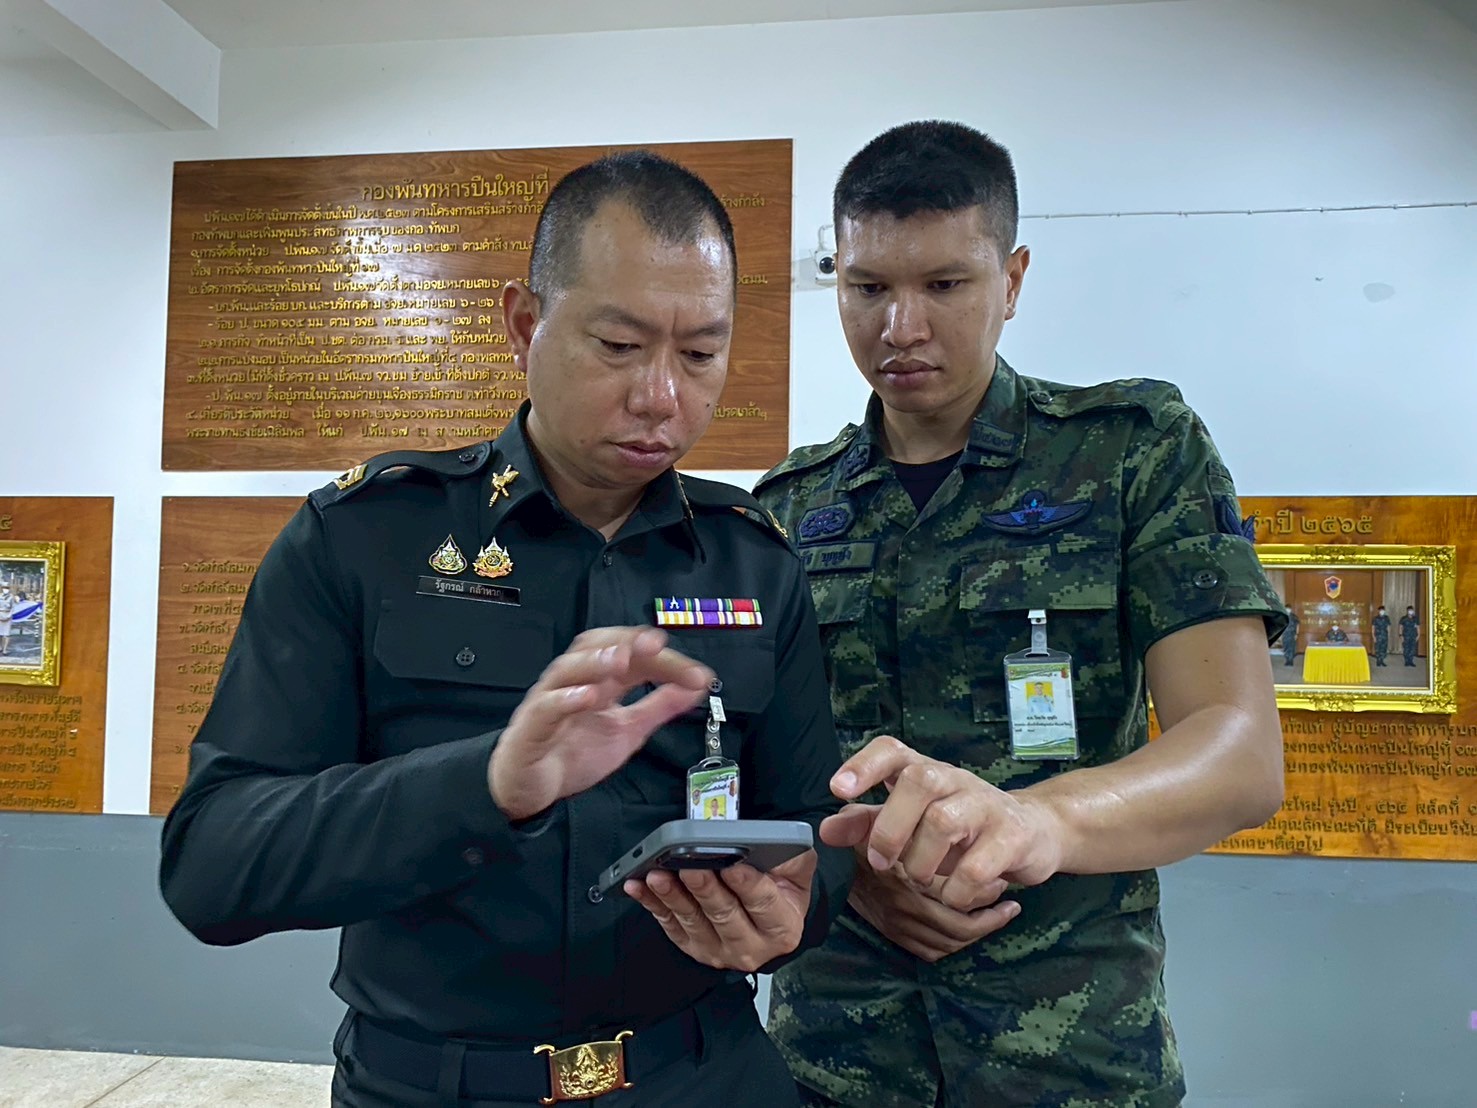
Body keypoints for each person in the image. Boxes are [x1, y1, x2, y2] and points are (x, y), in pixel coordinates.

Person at [160, 152, 851, 1108]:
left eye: (700, 355)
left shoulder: (753, 561)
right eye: (619, 345)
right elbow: (213, 866)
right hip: (434, 1086)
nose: (661, 396)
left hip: (701, 1071)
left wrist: (799, 909)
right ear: (525, 325)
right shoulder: (366, 537)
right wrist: (484, 785)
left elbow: (814, 821)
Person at [755, 121, 1287, 1108]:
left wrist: (1037, 819)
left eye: (943, 284)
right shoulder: (789, 506)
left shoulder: (1129, 453)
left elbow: (1239, 752)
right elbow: (759, 760)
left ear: (1011, 279)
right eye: (867, 287)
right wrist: (849, 874)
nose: (900, 326)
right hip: (837, 1052)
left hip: (1071, 1050)